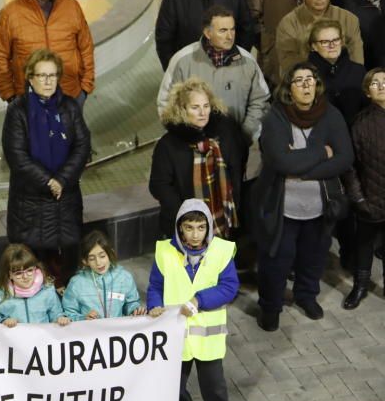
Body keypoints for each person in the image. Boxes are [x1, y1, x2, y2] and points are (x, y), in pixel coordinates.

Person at [254, 62, 353, 330]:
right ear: (289, 88)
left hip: (320, 208)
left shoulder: (331, 115)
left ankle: (306, 296)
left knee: (314, 257)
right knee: (276, 261)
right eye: (299, 80)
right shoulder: (275, 118)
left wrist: (303, 170)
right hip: (282, 209)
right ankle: (270, 307)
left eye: (311, 79)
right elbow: (281, 163)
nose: (307, 84)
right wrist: (322, 152)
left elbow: (345, 158)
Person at [147, 199, 242, 401]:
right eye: (189, 228)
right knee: (175, 383)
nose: (195, 234)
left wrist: (199, 300)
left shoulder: (221, 251)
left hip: (207, 338)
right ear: (180, 229)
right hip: (175, 334)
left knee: (215, 385)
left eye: (200, 227)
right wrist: (154, 306)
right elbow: (156, 286)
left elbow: (229, 287)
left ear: (209, 227)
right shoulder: (165, 252)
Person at [2, 49, 91, 285]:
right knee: (33, 268)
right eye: (42, 76)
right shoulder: (18, 111)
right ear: (30, 78)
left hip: (66, 200)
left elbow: (82, 146)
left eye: (52, 75)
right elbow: (16, 156)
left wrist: (62, 179)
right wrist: (48, 181)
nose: (48, 81)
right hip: (30, 204)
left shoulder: (70, 107)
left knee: (68, 268)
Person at [0, 0, 95, 104]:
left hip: (70, 94)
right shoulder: (10, 13)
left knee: (70, 129)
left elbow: (86, 47)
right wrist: (10, 95)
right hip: (29, 99)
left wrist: (85, 88)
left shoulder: (72, 7)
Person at [158, 5, 271, 146]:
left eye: (232, 29)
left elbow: (260, 101)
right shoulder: (182, 61)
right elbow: (166, 103)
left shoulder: (248, 61)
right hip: (191, 148)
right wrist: (187, 138)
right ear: (207, 32)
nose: (230, 36)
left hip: (237, 146)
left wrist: (245, 136)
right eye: (223, 31)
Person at [150, 78, 245, 239]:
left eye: (206, 106)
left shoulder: (225, 133)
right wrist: (187, 217)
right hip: (183, 227)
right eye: (195, 107)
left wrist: (234, 198)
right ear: (182, 109)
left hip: (223, 223)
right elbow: (159, 185)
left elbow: (236, 168)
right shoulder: (168, 145)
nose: (203, 113)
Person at [342, 68, 385, 308]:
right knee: (364, 245)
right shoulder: (361, 123)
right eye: (375, 83)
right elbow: (350, 167)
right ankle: (360, 286)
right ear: (367, 92)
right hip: (371, 198)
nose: (381, 86)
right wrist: (359, 200)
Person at [276, 0, 364, 80]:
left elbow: (357, 59)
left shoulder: (349, 19)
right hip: (307, 83)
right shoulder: (289, 24)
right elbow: (288, 63)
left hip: (345, 82)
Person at [61, 231, 145, 321]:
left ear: (110, 254)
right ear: (85, 261)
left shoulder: (124, 277)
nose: (98, 263)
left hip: (116, 332)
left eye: (102, 256)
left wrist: (134, 310)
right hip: (91, 333)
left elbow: (131, 303)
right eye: (92, 258)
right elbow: (69, 312)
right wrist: (83, 318)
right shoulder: (76, 283)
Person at [0, 243, 66, 327]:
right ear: (9, 275)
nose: (25, 277)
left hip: (42, 338)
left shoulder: (47, 289)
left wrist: (59, 318)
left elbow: (56, 313)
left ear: (36, 269)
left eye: (30, 270)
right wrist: (3, 322)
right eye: (18, 273)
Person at [307, 19, 367, 123]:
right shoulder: (305, 75)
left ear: (342, 42)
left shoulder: (358, 71)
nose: (332, 45)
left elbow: (368, 110)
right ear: (314, 46)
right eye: (324, 42)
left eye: (336, 40)